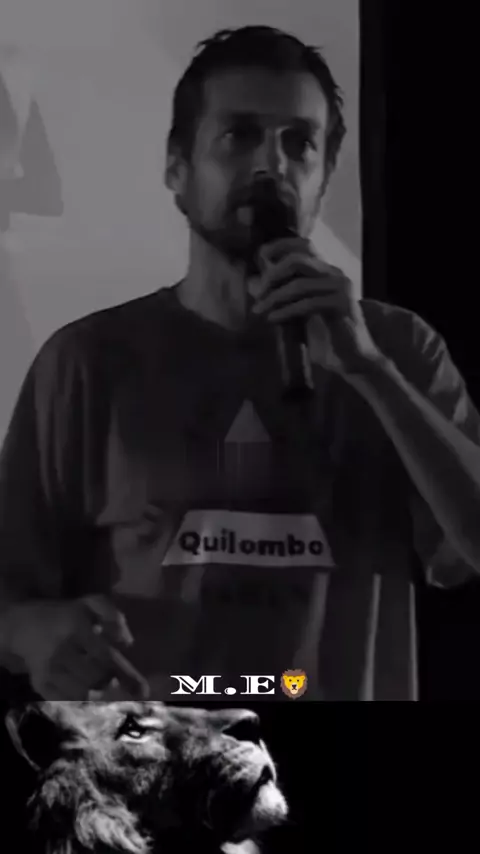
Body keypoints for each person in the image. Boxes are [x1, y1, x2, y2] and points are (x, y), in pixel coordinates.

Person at [0, 25, 479, 704]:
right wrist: (36, 635)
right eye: (239, 135)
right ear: (177, 170)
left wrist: (371, 371)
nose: (270, 165)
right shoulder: (88, 361)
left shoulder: (400, 349)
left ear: (324, 178)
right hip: (158, 753)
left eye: (299, 143)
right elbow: (12, 598)